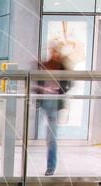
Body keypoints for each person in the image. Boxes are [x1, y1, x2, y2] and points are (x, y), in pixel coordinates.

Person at [34, 40, 69, 176]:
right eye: (52, 49)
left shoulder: (63, 67)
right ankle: (49, 165)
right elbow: (37, 82)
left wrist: (58, 90)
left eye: (56, 50)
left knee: (51, 136)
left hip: (54, 102)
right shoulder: (44, 64)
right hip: (45, 102)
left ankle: (51, 166)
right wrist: (42, 90)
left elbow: (68, 85)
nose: (54, 52)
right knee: (48, 135)